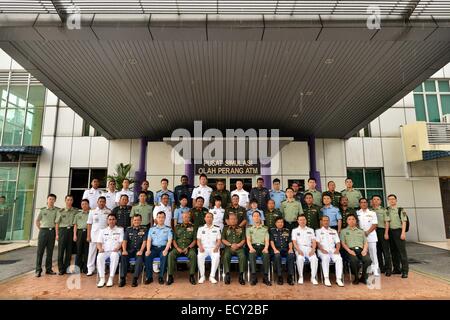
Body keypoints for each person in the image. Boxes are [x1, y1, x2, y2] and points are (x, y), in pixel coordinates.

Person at [167, 211, 197, 285]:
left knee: (193, 254)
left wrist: (188, 248)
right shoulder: (177, 227)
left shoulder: (193, 227)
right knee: (171, 254)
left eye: (188, 217)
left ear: (190, 218)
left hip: (189, 248)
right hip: (178, 248)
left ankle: (192, 275)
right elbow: (174, 239)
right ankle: (170, 276)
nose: (186, 218)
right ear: (182, 218)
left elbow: (194, 240)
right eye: (185, 217)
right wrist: (177, 248)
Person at [340, 214, 372, 284]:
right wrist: (349, 251)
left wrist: (365, 250)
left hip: (361, 250)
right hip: (350, 250)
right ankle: (356, 278)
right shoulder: (343, 231)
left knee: (368, 260)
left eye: (353, 219)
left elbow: (365, 242)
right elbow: (343, 243)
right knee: (354, 260)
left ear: (356, 221)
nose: (351, 221)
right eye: (349, 219)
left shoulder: (361, 231)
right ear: (347, 221)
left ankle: (363, 277)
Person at [96, 213, 124, 288]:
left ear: (116, 221)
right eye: (110, 219)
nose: (111, 221)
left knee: (114, 256)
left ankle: (111, 278)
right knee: (99, 257)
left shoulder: (120, 230)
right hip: (105, 251)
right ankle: (102, 278)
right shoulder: (102, 231)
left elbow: (121, 242)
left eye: (113, 219)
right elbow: (98, 242)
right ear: (107, 221)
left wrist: (117, 248)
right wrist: (100, 249)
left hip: (115, 251)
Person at [315, 216, 344, 287]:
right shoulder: (318, 231)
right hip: (322, 250)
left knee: (339, 259)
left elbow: (337, 242)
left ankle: (338, 279)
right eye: (324, 220)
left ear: (329, 221)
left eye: (327, 220)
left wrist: (337, 250)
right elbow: (317, 243)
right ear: (321, 222)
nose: (326, 222)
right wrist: (322, 250)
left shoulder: (334, 231)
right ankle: (326, 278)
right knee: (325, 258)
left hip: (333, 249)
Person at [145, 211, 172, 285]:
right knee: (147, 256)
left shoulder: (168, 229)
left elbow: (169, 241)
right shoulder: (151, 229)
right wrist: (148, 250)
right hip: (153, 248)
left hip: (163, 248)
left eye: (162, 217)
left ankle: (161, 277)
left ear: (165, 218)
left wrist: (166, 250)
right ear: (156, 218)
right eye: (159, 217)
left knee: (164, 256)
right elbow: (149, 240)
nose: (161, 219)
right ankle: (149, 277)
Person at [120, 214, 147, 287]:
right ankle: (122, 278)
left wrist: (141, 250)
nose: (136, 221)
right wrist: (124, 250)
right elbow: (125, 241)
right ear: (132, 221)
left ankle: (135, 278)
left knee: (139, 259)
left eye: (138, 220)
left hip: (139, 250)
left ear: (141, 221)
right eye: (135, 220)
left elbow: (145, 241)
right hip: (129, 250)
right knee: (123, 257)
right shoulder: (128, 229)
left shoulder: (144, 229)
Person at [35, 194, 59, 277]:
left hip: (51, 232)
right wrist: (41, 229)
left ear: (55, 201)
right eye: (50, 199)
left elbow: (57, 222)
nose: (51, 201)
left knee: (50, 251)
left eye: (53, 199)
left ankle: (48, 269)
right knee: (40, 251)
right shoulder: (42, 210)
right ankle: (38, 270)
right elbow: (37, 221)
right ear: (47, 200)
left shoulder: (56, 210)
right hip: (43, 231)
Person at [86, 196, 111, 276]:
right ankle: (90, 269)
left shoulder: (108, 211)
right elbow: (89, 224)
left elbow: (109, 224)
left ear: (105, 203)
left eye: (103, 201)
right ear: (97, 202)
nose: (102, 203)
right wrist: (88, 236)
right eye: (100, 201)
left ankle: (101, 270)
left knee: (102, 253)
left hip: (104, 236)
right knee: (92, 252)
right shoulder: (92, 211)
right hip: (94, 234)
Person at [386, 194, 409, 278]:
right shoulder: (387, 210)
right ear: (388, 200)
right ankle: (396, 269)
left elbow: (404, 222)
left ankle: (405, 271)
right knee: (393, 251)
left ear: (396, 200)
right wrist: (386, 233)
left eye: (393, 199)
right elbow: (387, 222)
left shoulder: (400, 210)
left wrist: (403, 233)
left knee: (402, 252)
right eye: (390, 199)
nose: (391, 201)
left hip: (399, 231)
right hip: (391, 232)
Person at [291, 215, 319, 285]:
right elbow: (294, 242)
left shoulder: (311, 230)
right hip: (299, 248)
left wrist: (313, 250)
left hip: (309, 248)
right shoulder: (294, 230)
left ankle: (313, 278)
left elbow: (314, 241)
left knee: (314, 259)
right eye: (300, 220)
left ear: (306, 221)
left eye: (304, 219)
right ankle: (301, 276)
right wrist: (298, 250)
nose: (302, 221)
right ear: (298, 221)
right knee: (300, 259)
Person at [246, 211, 271, 286]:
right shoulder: (249, 228)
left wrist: (266, 248)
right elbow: (248, 239)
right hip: (253, 246)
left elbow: (267, 240)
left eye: (258, 216)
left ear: (260, 217)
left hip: (263, 246)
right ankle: (254, 277)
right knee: (252, 254)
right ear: (252, 218)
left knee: (266, 255)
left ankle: (265, 277)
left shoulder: (265, 228)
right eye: (254, 216)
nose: (256, 217)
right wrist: (250, 248)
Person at [221, 212, 246, 285]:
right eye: (231, 219)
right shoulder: (225, 228)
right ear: (228, 220)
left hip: (239, 248)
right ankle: (227, 275)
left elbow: (243, 240)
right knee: (226, 256)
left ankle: (241, 275)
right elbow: (223, 239)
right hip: (229, 248)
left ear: (237, 220)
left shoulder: (241, 228)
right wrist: (230, 245)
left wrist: (238, 245)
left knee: (243, 256)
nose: (233, 220)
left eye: (234, 219)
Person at [55, 194, 78, 275]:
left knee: (69, 251)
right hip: (62, 231)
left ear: (73, 201)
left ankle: (67, 268)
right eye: (68, 200)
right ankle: (61, 269)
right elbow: (57, 223)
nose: (69, 201)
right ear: (65, 201)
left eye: (71, 200)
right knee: (61, 251)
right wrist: (57, 234)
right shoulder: (60, 211)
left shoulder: (75, 211)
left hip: (71, 231)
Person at [357, 197, 380, 276]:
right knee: (362, 254)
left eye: (365, 202)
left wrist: (367, 232)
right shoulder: (357, 213)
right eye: (362, 202)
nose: (363, 204)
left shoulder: (372, 213)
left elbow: (375, 224)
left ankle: (375, 269)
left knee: (373, 253)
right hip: (360, 237)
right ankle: (364, 269)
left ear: (367, 203)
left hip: (371, 236)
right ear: (359, 204)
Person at [197, 212, 221, 284]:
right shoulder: (200, 229)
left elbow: (219, 240)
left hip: (213, 248)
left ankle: (212, 276)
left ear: (213, 219)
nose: (209, 218)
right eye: (207, 217)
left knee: (216, 256)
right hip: (203, 248)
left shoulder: (217, 228)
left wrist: (217, 247)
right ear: (205, 218)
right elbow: (198, 240)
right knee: (200, 256)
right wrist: (200, 247)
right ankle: (202, 276)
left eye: (210, 217)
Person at [270, 217, 295, 285]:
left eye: (281, 222)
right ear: (275, 223)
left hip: (285, 249)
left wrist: (290, 249)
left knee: (291, 255)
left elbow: (290, 241)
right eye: (278, 222)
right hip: (276, 250)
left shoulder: (287, 230)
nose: (280, 223)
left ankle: (290, 276)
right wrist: (275, 250)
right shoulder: (272, 231)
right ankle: (279, 276)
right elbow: (271, 241)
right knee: (277, 256)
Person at [371, 195, 392, 276]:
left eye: (377, 199)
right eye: (374, 199)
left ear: (380, 201)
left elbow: (387, 222)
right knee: (377, 251)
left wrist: (386, 233)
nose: (376, 201)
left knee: (385, 251)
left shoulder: (384, 210)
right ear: (372, 201)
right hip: (373, 232)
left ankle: (389, 269)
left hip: (382, 230)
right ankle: (381, 268)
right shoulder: (370, 210)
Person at [73, 199, 90, 274]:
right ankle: (77, 268)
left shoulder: (91, 214)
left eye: (86, 204)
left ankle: (85, 268)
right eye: (83, 204)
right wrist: (74, 235)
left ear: (88, 205)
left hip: (87, 232)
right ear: (81, 205)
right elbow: (75, 225)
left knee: (87, 251)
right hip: (79, 233)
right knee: (78, 251)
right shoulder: (77, 215)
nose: (84, 205)